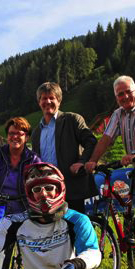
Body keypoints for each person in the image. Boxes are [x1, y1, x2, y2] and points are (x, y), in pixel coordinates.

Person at [84, 76, 135, 269]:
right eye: (119, 94)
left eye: (127, 92)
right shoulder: (118, 114)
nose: (124, 96)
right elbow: (106, 138)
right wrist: (92, 161)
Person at [31, 82, 98, 214]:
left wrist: (82, 162)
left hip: (71, 187)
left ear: (59, 101)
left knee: (76, 229)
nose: (48, 101)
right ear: (39, 102)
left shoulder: (72, 120)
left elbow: (91, 142)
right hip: (48, 192)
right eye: (44, 98)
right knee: (53, 231)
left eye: (52, 98)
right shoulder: (36, 132)